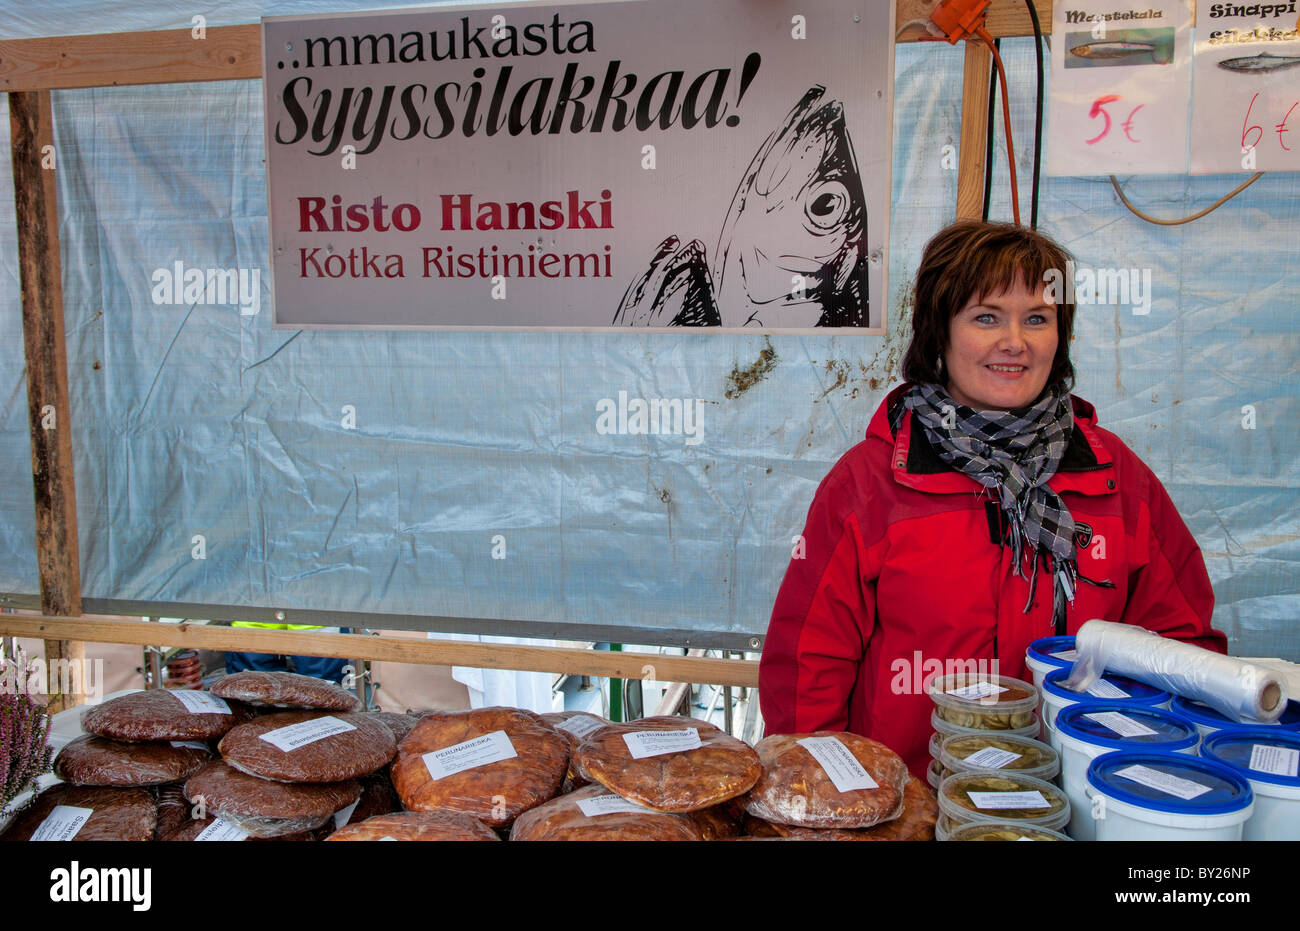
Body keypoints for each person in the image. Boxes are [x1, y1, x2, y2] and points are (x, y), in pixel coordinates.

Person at [758, 220, 1226, 779]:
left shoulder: (1117, 478)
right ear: (939, 333)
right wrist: (824, 799)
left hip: (1072, 803)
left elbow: (1184, 651)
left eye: (1037, 318)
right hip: (908, 806)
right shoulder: (870, 483)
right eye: (986, 317)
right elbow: (808, 665)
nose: (1015, 342)